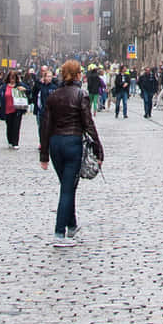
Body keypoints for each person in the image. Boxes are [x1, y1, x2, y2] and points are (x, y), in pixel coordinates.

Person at [38, 59, 103, 246]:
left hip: (55, 144)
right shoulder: (80, 95)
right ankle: (59, 232)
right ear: (77, 75)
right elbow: (88, 124)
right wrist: (98, 149)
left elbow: (46, 126)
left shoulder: (53, 96)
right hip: (72, 143)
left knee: (68, 185)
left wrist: (44, 155)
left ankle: (72, 225)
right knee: (67, 189)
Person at [0, 70, 27, 148]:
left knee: (16, 126)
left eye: (14, 78)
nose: (12, 80)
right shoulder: (4, 87)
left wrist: (24, 89)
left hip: (17, 109)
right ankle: (10, 141)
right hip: (7, 109)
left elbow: (28, 90)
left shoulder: (20, 85)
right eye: (11, 78)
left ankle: (15, 143)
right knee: (9, 126)